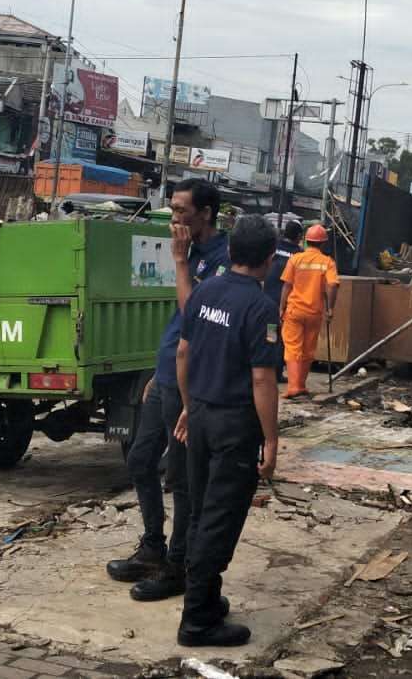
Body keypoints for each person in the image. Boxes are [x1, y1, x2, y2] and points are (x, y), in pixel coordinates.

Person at [108, 178, 229, 599]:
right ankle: (153, 547)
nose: (174, 218)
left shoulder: (220, 258)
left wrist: (179, 262)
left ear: (206, 213)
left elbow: (194, 316)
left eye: (181, 211)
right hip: (165, 375)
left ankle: (178, 566)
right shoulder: (192, 250)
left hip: (189, 381)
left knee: (181, 478)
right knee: (141, 460)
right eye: (172, 209)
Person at [172, 215, 282, 646]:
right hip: (235, 425)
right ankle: (197, 621)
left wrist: (187, 406)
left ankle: (207, 599)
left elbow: (184, 353)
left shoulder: (204, 293)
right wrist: (271, 440)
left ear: (232, 252)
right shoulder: (260, 308)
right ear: (270, 260)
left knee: (202, 510)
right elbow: (262, 380)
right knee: (219, 519)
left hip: (200, 415)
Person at [278, 223, 339, 399]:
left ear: (306, 241)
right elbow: (333, 286)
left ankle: (294, 387)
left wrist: (282, 306)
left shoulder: (295, 259)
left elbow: (287, 285)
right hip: (314, 312)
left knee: (292, 348)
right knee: (308, 349)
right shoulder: (328, 262)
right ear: (323, 244)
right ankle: (301, 385)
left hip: (295, 310)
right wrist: (330, 309)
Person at [263, 221, 302, 384]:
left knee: (269, 336)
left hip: (267, 301)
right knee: (282, 340)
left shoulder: (273, 247)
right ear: (299, 237)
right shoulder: (299, 255)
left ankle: (265, 369)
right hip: (285, 305)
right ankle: (276, 373)